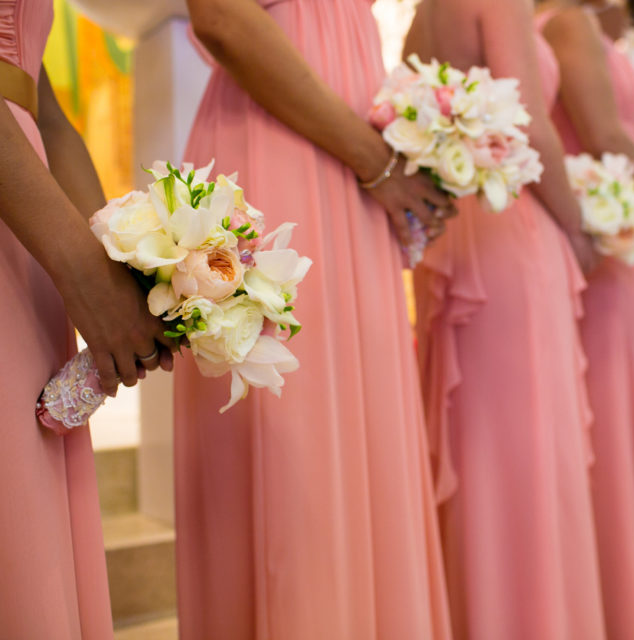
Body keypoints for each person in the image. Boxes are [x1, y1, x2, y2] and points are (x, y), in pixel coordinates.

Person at [173, 0, 455, 637]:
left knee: (355, 431)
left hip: (348, 161)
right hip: (291, 144)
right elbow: (221, 16)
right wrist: (374, 160)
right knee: (293, 442)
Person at [0, 0, 172, 636]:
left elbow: (48, 113)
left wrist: (121, 264)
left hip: (21, 184)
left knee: (18, 491)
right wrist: (79, 267)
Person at [405, 0, 607, 637]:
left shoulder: (424, 12)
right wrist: (580, 228)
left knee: (479, 443)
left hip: (452, 232)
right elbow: (531, 126)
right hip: (512, 226)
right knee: (528, 446)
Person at [536, 1, 634, 637]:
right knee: (618, 420)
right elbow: (606, 135)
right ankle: (628, 607)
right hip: (613, 240)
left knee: (627, 417)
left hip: (620, 232)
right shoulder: (566, 21)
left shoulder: (574, 23)